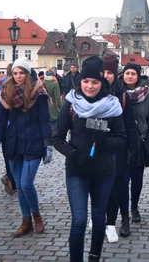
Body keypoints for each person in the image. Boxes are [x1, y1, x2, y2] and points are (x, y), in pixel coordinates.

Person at [53, 56, 126, 262]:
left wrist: (103, 140)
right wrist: (74, 154)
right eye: (86, 81)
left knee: (98, 217)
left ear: (102, 81)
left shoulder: (112, 105)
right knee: (79, 221)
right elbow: (57, 137)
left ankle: (94, 257)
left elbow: (121, 140)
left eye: (94, 82)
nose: (90, 86)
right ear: (80, 81)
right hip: (77, 169)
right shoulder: (71, 104)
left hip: (103, 170)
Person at [0, 57, 52, 237]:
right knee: (19, 184)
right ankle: (26, 222)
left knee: (26, 183)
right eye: (15, 73)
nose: (18, 76)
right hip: (13, 143)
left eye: (21, 73)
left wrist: (48, 144)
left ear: (27, 73)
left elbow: (44, 120)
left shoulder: (38, 92)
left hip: (34, 142)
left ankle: (36, 216)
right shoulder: (5, 92)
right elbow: (0, 121)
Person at [121, 63, 149, 224]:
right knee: (123, 180)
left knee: (137, 179)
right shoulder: (117, 93)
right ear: (123, 75)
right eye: (127, 73)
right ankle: (124, 213)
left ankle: (134, 207)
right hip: (121, 144)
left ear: (138, 76)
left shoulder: (147, 94)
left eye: (133, 73)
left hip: (140, 143)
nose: (130, 76)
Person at [102, 56, 140, 242]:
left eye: (109, 72)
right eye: (103, 72)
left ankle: (124, 219)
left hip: (120, 148)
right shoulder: (94, 93)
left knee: (122, 187)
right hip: (101, 150)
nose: (106, 76)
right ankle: (106, 221)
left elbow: (130, 125)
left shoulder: (122, 95)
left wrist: (133, 150)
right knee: (103, 188)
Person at [0, 63, 17, 196]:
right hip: (12, 125)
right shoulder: (11, 88)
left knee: (8, 155)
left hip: (3, 126)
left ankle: (11, 179)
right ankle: (13, 180)